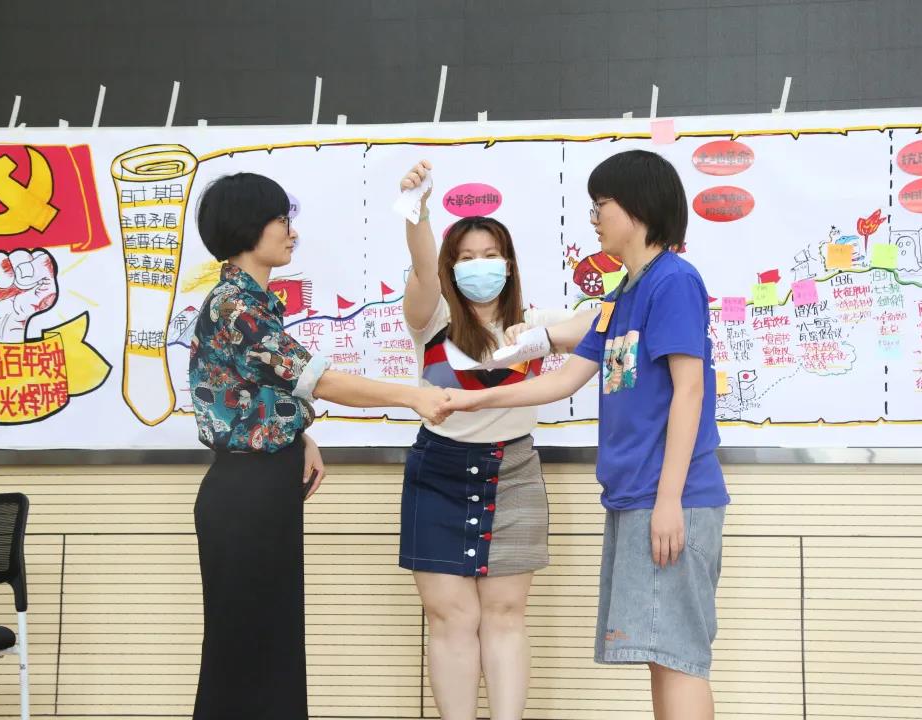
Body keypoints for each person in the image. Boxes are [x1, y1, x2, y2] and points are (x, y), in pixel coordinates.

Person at [441, 150, 730, 720]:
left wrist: (669, 500)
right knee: (660, 655)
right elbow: (562, 380)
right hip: (635, 497)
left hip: (671, 499)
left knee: (679, 659)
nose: (594, 219)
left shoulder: (674, 281)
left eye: (601, 205)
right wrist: (473, 398)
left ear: (638, 208)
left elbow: (690, 391)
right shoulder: (624, 293)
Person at [188, 172, 451, 720]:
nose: (292, 231)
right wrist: (413, 396)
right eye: (281, 220)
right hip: (245, 493)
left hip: (262, 484)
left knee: (271, 640)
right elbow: (318, 379)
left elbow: (252, 391)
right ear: (247, 226)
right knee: (245, 646)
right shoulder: (234, 306)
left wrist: (299, 435)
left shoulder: (251, 302)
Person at [397, 161, 596, 720]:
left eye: (489, 255)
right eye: (465, 258)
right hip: (437, 470)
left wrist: (543, 337)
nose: (478, 266)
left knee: (506, 615)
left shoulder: (532, 320)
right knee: (450, 618)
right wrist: (418, 211)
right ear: (451, 266)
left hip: (514, 470)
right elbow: (421, 268)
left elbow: (601, 320)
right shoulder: (430, 317)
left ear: (508, 264)